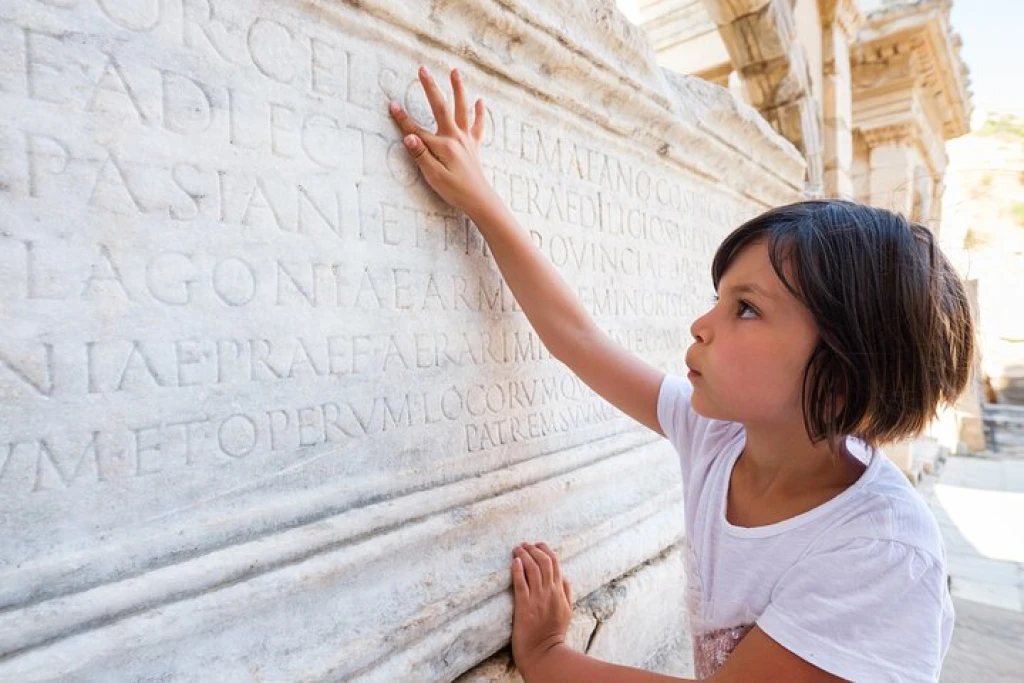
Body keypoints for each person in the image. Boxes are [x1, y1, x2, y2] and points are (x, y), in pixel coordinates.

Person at [388, 66, 973, 682]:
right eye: (718, 298)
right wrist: (480, 198)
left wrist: (550, 657)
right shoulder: (720, 438)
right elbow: (578, 339)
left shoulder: (879, 552)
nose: (701, 324)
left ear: (843, 371)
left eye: (746, 308)